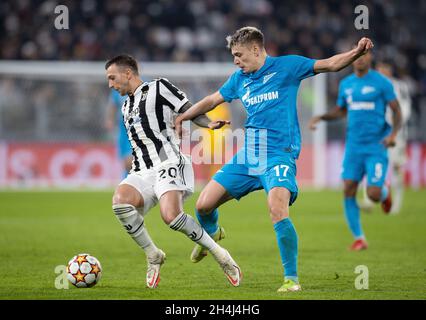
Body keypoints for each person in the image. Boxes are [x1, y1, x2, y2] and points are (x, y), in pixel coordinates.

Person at [175, 26, 374, 292]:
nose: (235, 60)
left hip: (279, 154)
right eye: (233, 55)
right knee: (202, 206)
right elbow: (212, 100)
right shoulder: (239, 79)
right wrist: (183, 117)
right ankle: (213, 233)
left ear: (256, 50)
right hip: (248, 156)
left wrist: (357, 51)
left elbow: (330, 64)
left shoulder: (288, 66)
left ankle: (291, 280)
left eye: (239, 54)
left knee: (277, 208)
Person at [105, 54, 241, 289]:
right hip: (142, 169)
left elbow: (187, 108)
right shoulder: (126, 106)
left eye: (112, 78)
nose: (110, 84)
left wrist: (207, 123)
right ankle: (153, 254)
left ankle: (221, 255)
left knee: (171, 216)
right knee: (120, 202)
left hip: (168, 161)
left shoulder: (158, 87)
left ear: (128, 73)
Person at [309, 51, 402, 251]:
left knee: (373, 193)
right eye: (357, 54)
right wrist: (322, 117)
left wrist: (393, 135)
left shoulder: (382, 83)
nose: (360, 58)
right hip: (353, 147)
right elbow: (341, 110)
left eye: (364, 54)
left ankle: (384, 195)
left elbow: (397, 110)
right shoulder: (346, 84)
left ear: (370, 58)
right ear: (351, 58)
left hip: (377, 146)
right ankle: (359, 238)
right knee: (349, 189)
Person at [360, 60, 411, 214]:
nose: (381, 72)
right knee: (369, 165)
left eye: (384, 69)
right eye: (379, 69)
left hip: (396, 135)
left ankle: (397, 204)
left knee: (396, 167)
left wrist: (391, 129)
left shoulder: (400, 86)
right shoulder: (369, 85)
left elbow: (405, 110)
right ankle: (368, 201)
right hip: (374, 135)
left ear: (390, 71)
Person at [105, 89, 133, 178]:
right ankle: (126, 180)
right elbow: (113, 105)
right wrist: (110, 120)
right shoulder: (118, 89)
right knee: (126, 162)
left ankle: (132, 183)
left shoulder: (145, 84)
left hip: (136, 127)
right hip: (123, 129)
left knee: (130, 161)